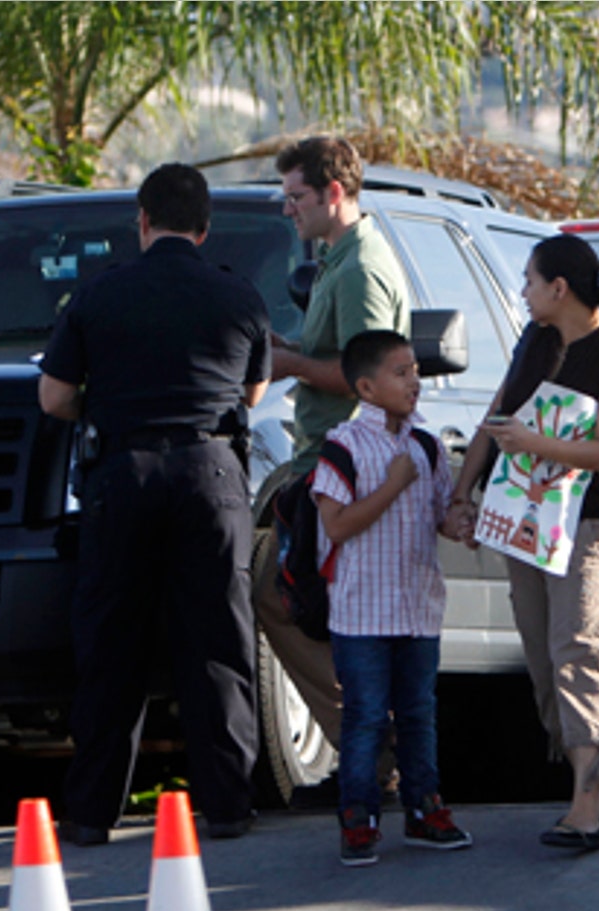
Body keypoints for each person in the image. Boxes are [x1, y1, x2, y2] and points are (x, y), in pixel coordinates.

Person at [39, 163, 270, 845]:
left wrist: (105, 410)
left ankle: (91, 813)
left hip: (123, 473)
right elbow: (250, 397)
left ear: (142, 221)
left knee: (113, 644)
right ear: (205, 227)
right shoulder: (239, 298)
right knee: (219, 643)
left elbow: (53, 398)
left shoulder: (98, 296)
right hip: (212, 475)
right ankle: (227, 805)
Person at [449, 234, 599, 852]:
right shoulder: (534, 342)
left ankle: (586, 802)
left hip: (585, 524)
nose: (523, 291)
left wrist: (536, 446)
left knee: (576, 649)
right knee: (540, 660)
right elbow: (498, 414)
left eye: (530, 281)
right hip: (521, 517)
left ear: (559, 288)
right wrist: (461, 495)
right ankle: (590, 785)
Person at [252, 135, 413, 802]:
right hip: (320, 462)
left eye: (296, 197)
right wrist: (295, 348)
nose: (288, 210)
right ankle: (370, 762)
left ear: (333, 194)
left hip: (341, 467)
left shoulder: (359, 270)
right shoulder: (337, 262)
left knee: (281, 594)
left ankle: (372, 755)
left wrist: (287, 363)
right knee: (314, 608)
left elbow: (364, 379)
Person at [313, 330, 473, 866]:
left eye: (415, 371)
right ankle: (357, 817)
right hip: (361, 611)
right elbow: (336, 526)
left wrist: (463, 521)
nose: (414, 382)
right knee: (363, 716)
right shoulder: (344, 447)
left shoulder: (426, 443)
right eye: (400, 373)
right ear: (366, 386)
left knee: (418, 713)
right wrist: (392, 484)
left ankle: (426, 809)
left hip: (417, 605)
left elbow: (437, 517)